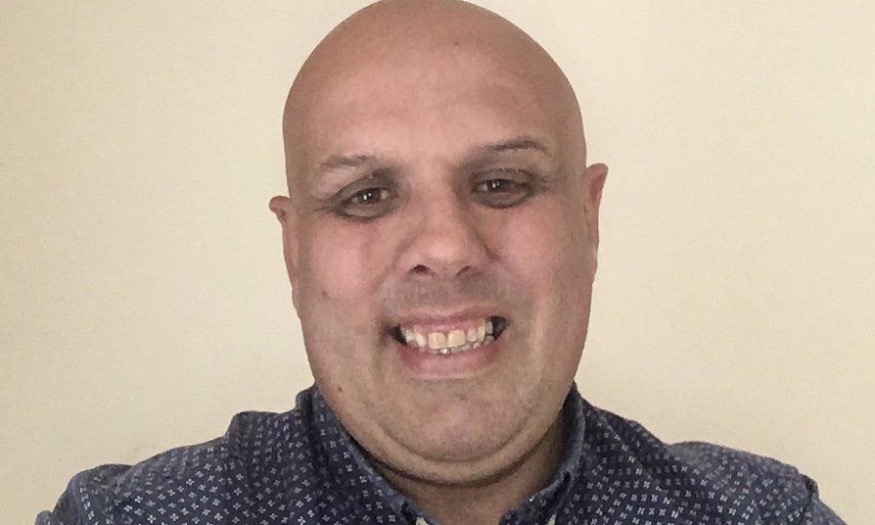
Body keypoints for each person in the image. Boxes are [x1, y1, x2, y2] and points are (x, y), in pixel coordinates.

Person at [37, 1, 845, 524]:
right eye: (365, 195)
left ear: (587, 219)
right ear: (294, 250)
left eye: (501, 183)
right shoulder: (130, 517)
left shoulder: (763, 514)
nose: (446, 247)